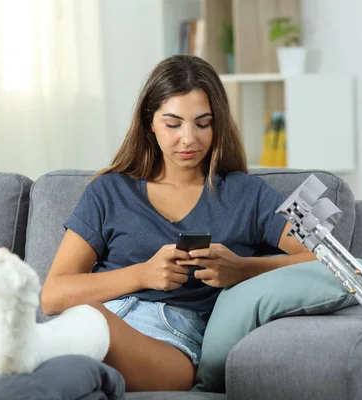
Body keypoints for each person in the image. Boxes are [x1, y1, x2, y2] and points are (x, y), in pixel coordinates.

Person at [40, 55, 315, 392]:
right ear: (149, 123)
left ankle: (32, 349)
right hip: (102, 315)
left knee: (82, 346)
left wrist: (243, 268)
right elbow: (53, 295)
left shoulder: (249, 193)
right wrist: (142, 274)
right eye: (173, 124)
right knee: (72, 363)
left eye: (203, 123)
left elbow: (328, 256)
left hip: (172, 341)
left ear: (219, 125)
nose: (189, 139)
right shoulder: (108, 190)